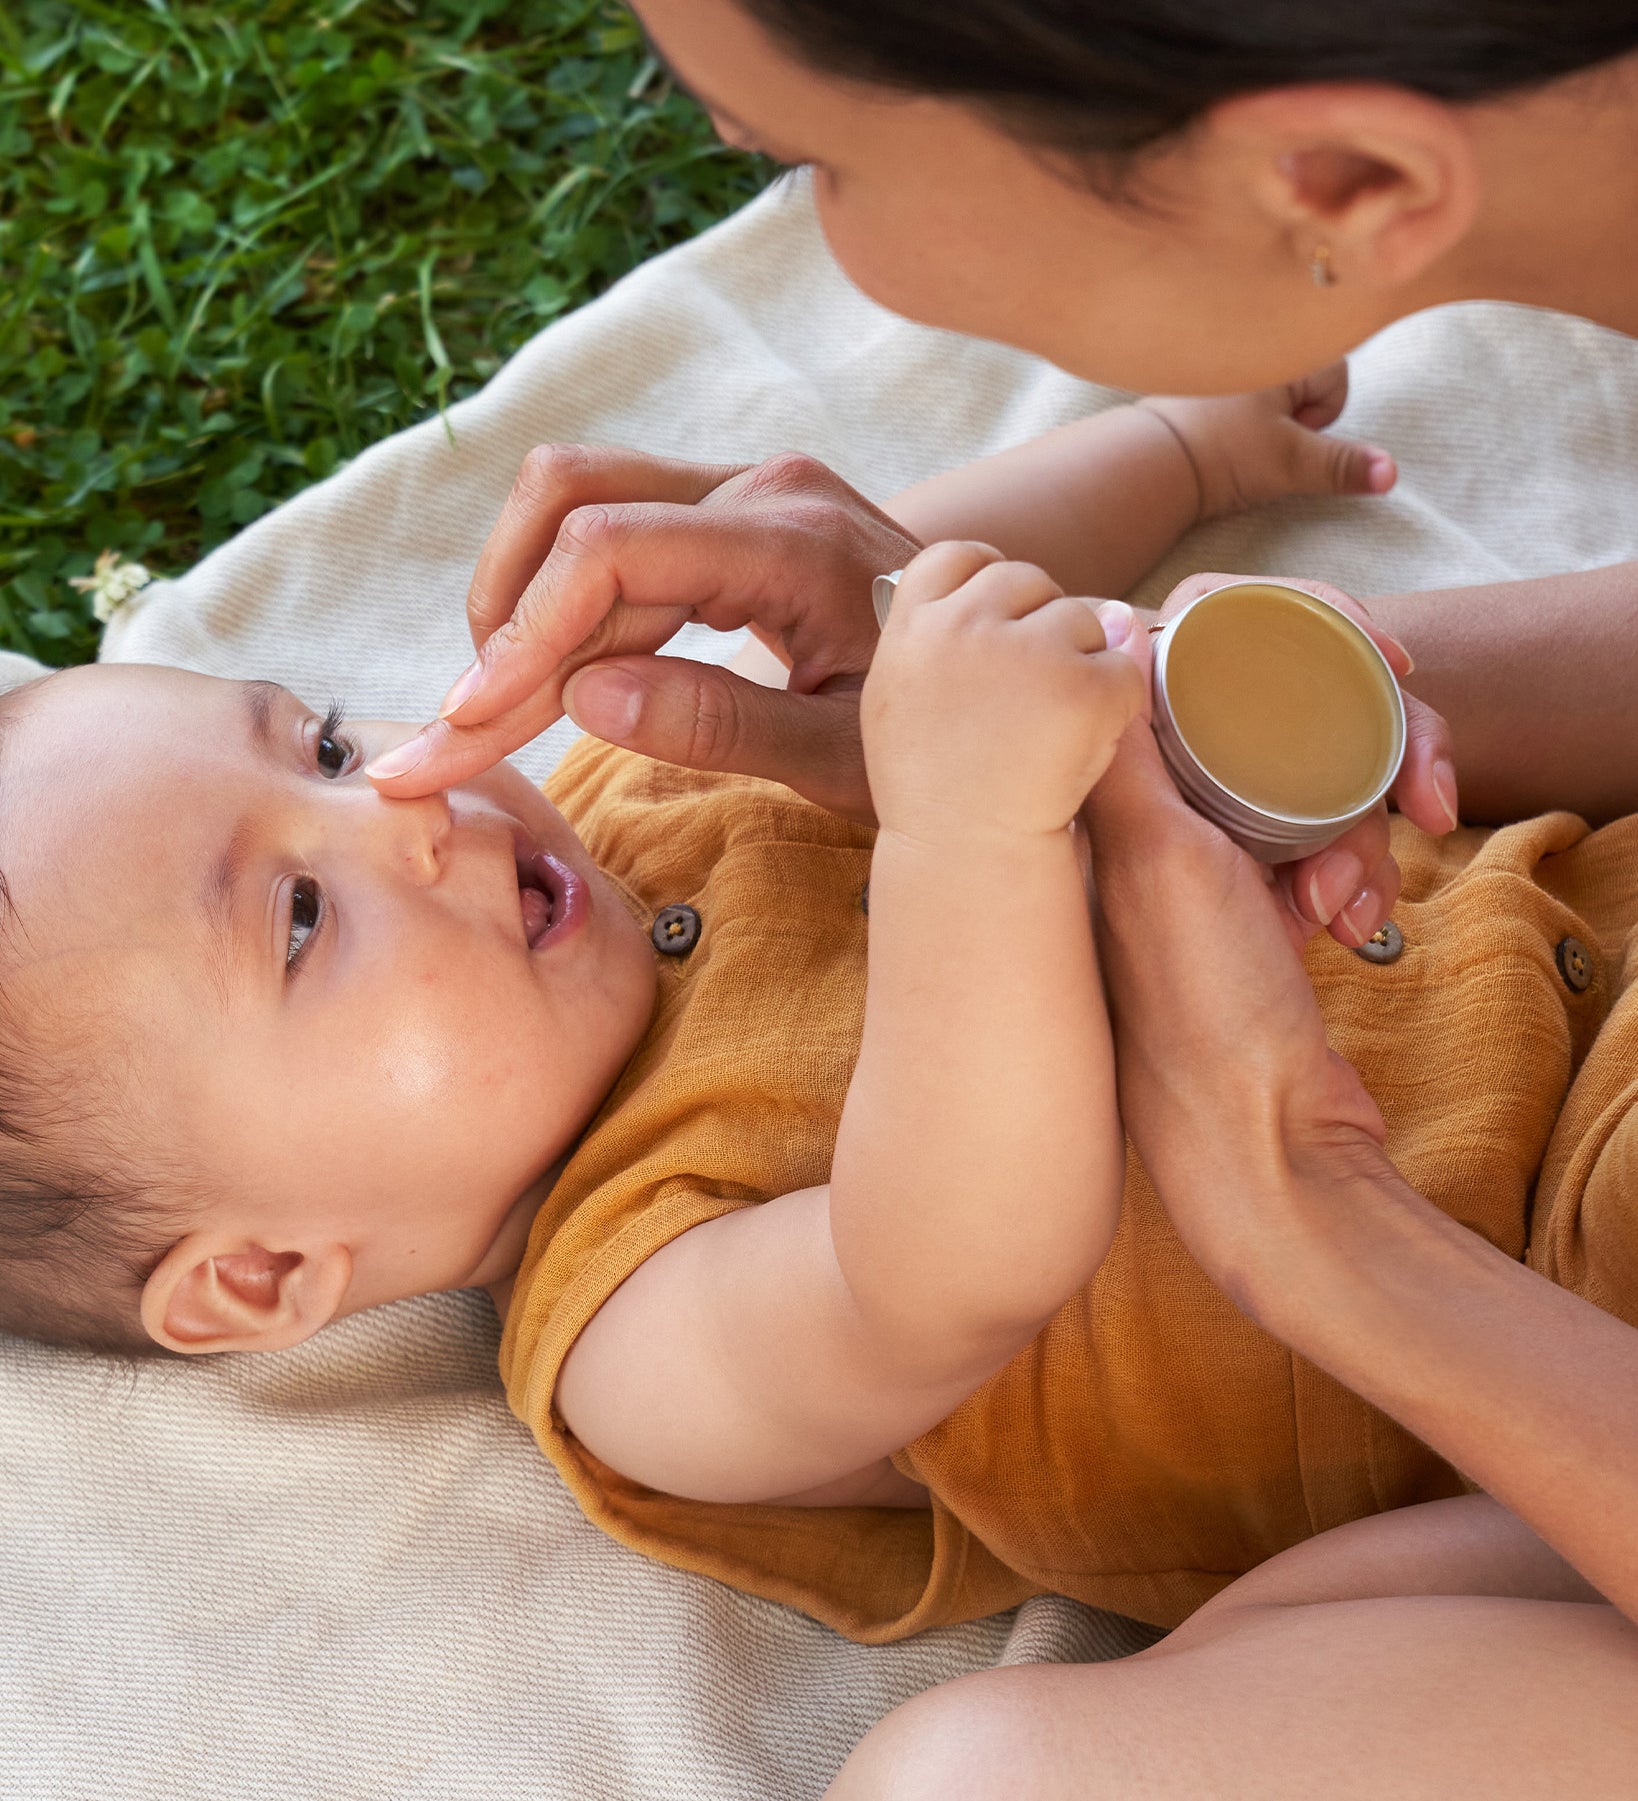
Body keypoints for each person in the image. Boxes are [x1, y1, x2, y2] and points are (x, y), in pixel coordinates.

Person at [353, 2, 1638, 1793]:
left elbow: (972, 599)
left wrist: (1176, 464)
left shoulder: (640, 796)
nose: (392, 824)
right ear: (269, 1267)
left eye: (325, 747)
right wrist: (1007, 788)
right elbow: (946, 1259)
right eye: (291, 924)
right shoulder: (626, 1309)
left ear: (1336, 183)